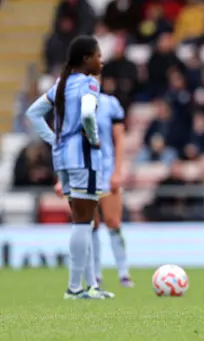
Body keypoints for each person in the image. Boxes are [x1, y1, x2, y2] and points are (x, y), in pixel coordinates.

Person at [25, 35, 110, 299]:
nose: (101, 60)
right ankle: (75, 288)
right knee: (84, 223)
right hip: (83, 156)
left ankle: (86, 286)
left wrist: (54, 139)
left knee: (81, 221)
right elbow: (87, 113)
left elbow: (33, 113)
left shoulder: (61, 84)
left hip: (62, 157)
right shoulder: (89, 84)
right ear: (86, 59)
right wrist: (93, 138)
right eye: (98, 55)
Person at [54, 91, 133, 287]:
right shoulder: (71, 106)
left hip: (105, 171)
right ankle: (96, 274)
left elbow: (119, 139)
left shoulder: (109, 103)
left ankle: (123, 272)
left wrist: (117, 171)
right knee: (91, 225)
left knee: (113, 221)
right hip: (82, 171)